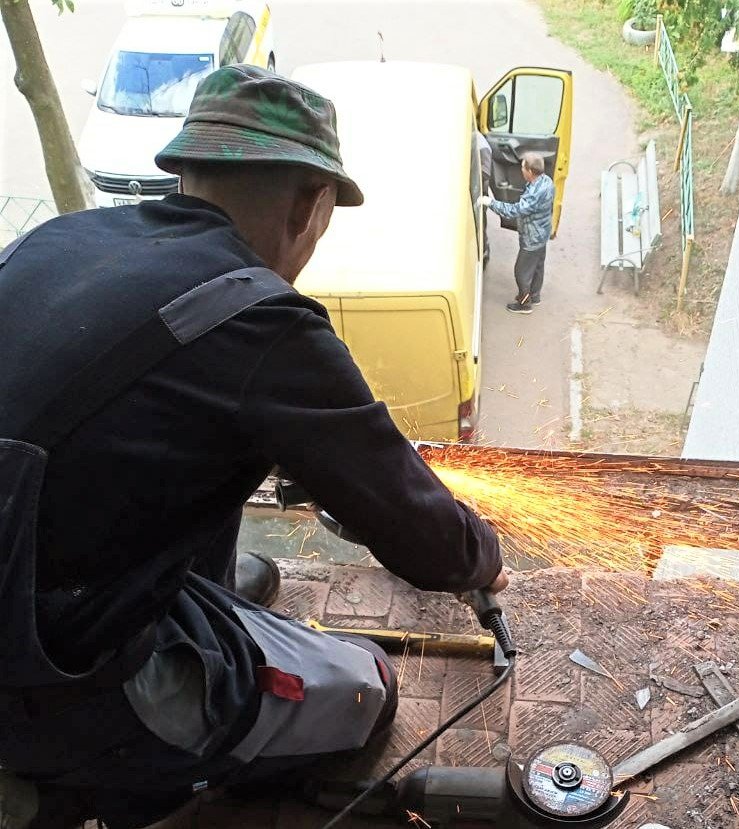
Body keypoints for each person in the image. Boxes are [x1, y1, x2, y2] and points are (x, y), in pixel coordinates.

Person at [0, 64, 505, 828]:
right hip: (53, 670)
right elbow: (416, 529)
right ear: (310, 203)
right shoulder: (257, 321)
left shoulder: (58, 240)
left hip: (37, 571)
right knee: (365, 690)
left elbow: (121, 426)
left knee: (238, 572)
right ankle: (70, 790)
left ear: (186, 171)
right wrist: (481, 555)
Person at [480, 152, 555, 314]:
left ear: (529, 171)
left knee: (521, 271)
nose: (521, 170)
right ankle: (535, 296)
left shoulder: (534, 193)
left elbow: (515, 211)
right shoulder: (546, 181)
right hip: (542, 234)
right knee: (537, 267)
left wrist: (490, 203)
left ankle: (524, 303)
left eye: (523, 167)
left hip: (532, 238)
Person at [476, 131, 493, 268]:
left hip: (479, 194)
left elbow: (485, 173)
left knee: (480, 225)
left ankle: (483, 253)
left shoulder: (481, 146)